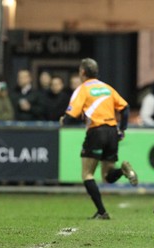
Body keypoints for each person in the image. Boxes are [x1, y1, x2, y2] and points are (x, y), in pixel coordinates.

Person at [59, 58, 138, 220]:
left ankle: (102, 211)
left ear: (82, 72)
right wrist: (122, 130)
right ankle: (123, 170)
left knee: (87, 174)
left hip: (96, 132)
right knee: (107, 176)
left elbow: (71, 115)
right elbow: (125, 108)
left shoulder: (83, 89)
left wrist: (63, 121)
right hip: (111, 132)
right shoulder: (107, 88)